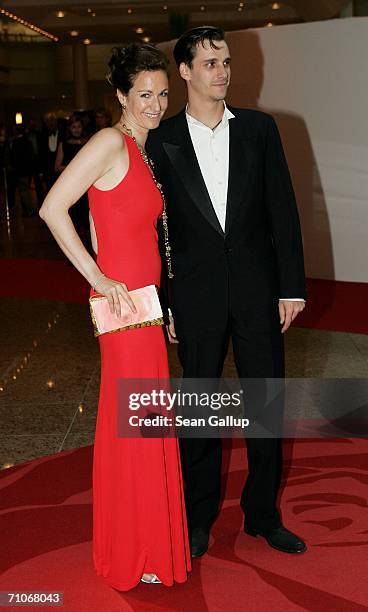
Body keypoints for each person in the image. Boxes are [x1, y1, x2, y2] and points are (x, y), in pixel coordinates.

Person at [146, 26, 307, 558]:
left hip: (261, 292)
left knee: (264, 404)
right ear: (185, 71)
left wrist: (290, 287)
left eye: (226, 61)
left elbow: (282, 211)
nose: (223, 71)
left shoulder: (260, 129)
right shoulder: (163, 140)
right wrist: (165, 300)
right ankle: (197, 519)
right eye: (210, 63)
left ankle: (262, 514)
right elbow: (158, 230)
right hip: (195, 296)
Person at [39, 43, 191, 590]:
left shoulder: (143, 151)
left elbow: (117, 227)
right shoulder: (109, 141)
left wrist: (164, 302)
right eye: (144, 94)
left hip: (146, 306)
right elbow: (53, 208)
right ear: (122, 95)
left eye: (162, 94)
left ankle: (145, 544)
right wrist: (100, 281)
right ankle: (138, 551)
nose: (154, 104)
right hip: (124, 309)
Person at [55, 116, 89, 242]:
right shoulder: (64, 144)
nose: (76, 130)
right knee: (73, 221)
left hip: (87, 186)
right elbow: (57, 167)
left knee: (87, 221)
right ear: (69, 129)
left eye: (79, 126)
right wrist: (74, 169)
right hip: (70, 187)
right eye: (73, 127)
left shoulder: (88, 142)